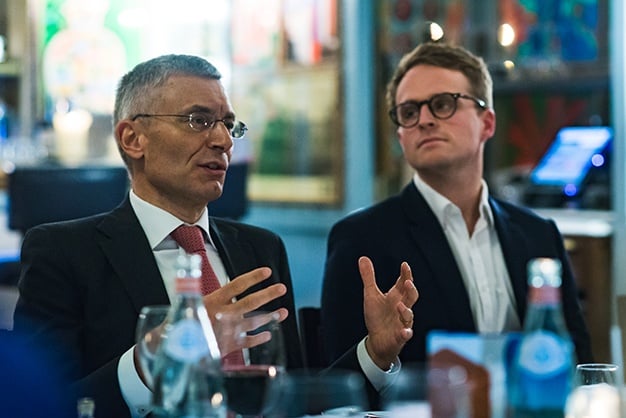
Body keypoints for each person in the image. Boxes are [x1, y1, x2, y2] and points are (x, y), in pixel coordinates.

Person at [12, 54, 417, 418]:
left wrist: (375, 353)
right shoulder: (64, 252)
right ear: (133, 139)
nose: (223, 141)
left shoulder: (260, 249)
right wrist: (155, 358)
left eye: (227, 124)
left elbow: (292, 401)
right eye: (198, 120)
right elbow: (42, 406)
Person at [321, 42, 593, 370]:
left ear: (487, 123)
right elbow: (335, 388)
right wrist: (376, 354)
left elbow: (579, 364)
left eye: (442, 104)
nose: (424, 120)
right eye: (409, 112)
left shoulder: (539, 235)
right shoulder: (361, 240)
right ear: (401, 137)